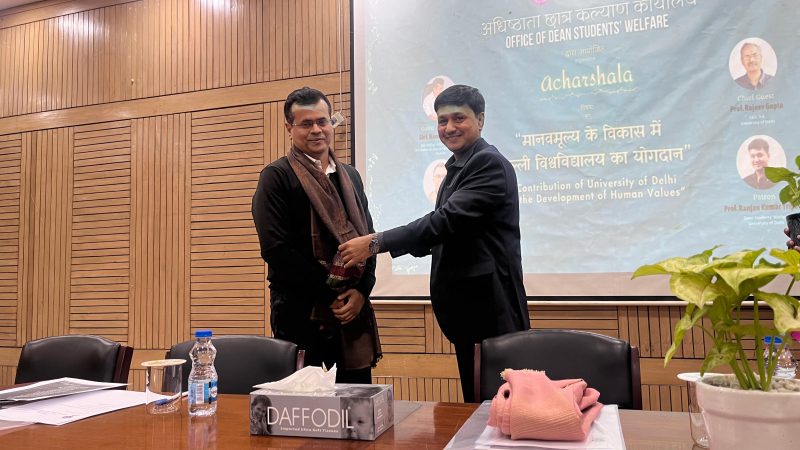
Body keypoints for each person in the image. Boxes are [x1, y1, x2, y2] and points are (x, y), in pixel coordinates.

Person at [339, 85, 529, 402]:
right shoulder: (457, 166)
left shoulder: (488, 163)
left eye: (459, 118)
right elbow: (451, 231)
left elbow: (445, 221)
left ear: (480, 120)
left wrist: (375, 243)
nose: (449, 127)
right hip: (470, 315)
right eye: (442, 120)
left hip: (491, 313)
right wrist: (415, 244)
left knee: (499, 409)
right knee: (478, 405)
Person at [251, 87, 381, 384]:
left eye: (322, 121)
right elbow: (276, 250)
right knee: (305, 404)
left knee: (355, 404)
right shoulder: (277, 177)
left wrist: (362, 292)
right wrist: (331, 294)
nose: (317, 130)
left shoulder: (350, 176)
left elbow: (368, 240)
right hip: (300, 313)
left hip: (352, 312)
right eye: (306, 124)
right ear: (289, 127)